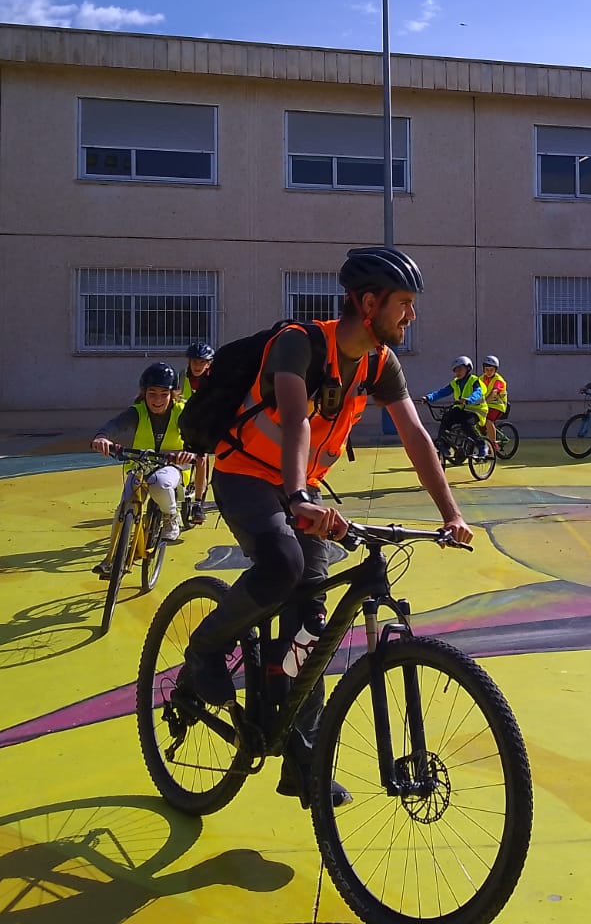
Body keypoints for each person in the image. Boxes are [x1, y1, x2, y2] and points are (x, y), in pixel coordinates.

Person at [181, 246, 474, 810]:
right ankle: (205, 648)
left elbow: (416, 437)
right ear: (369, 303)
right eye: (403, 305)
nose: (410, 316)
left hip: (302, 490)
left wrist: (451, 514)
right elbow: (294, 420)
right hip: (248, 476)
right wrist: (295, 498)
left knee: (312, 627)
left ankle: (302, 760)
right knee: (284, 565)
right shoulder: (300, 343)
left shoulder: (380, 362)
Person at [89, 362, 192, 575]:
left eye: (164, 394)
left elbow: (197, 432)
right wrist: (102, 437)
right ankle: (111, 557)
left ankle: (170, 517)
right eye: (151, 393)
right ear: (143, 393)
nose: (157, 399)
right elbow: (115, 425)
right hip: (140, 463)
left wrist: (191, 450)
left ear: (172, 394)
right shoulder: (137, 412)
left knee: (160, 484)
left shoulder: (182, 412)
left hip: (171, 464)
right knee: (124, 506)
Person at [177, 342, 215, 527]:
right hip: (182, 425)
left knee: (201, 459)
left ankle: (199, 503)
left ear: (209, 363)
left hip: (203, 427)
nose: (197, 366)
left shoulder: (215, 379)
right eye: (194, 362)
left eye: (202, 362)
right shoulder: (179, 378)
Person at [423, 355, 489, 459]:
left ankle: (482, 445)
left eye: (460, 369)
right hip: (462, 409)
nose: (457, 372)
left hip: (476, 410)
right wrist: (428, 397)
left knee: (467, 423)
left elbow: (478, 393)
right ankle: (443, 444)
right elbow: (442, 392)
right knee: (446, 417)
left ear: (467, 368)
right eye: (455, 370)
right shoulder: (455, 382)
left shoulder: (474, 380)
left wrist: (469, 400)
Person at [479, 356, 509, 451]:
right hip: (485, 406)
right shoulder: (481, 379)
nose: (488, 372)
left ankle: (493, 444)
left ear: (495, 370)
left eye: (491, 370)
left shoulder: (498, 380)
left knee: (488, 420)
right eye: (486, 369)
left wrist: (485, 401)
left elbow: (494, 392)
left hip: (497, 406)